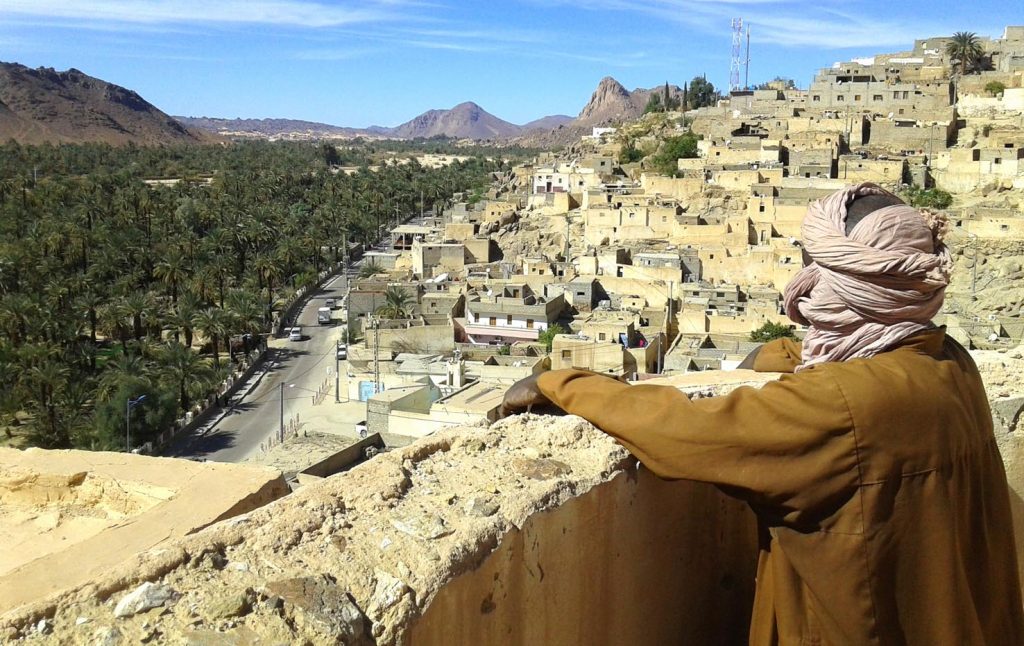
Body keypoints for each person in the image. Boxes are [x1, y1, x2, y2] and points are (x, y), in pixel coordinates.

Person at [500, 183, 1024, 645]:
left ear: (856, 285)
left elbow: (689, 430)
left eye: (821, 267)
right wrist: (781, 356)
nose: (806, 281)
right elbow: (861, 361)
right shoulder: (949, 360)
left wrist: (562, 382)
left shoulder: (840, 407)